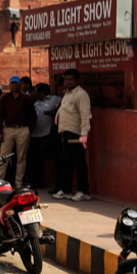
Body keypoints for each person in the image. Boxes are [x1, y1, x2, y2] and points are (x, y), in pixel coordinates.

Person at [53, 69, 92, 201]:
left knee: (79, 163)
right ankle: (66, 190)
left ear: (77, 80)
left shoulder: (81, 95)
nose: (68, 82)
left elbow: (85, 115)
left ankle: (84, 191)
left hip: (76, 134)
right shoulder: (68, 94)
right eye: (66, 79)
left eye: (71, 79)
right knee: (66, 163)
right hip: (65, 132)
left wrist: (84, 135)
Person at [0, 75, 36, 187]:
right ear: (9, 85)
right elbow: (0, 116)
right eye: (12, 83)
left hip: (22, 129)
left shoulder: (26, 99)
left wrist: (29, 130)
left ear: (19, 85)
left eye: (16, 83)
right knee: (3, 156)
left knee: (21, 157)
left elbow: (33, 115)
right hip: (8, 129)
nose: (14, 86)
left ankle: (19, 182)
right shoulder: (4, 99)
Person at [29, 83, 60, 190]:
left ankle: (57, 183)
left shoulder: (54, 99)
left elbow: (61, 105)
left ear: (42, 92)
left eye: (36, 91)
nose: (34, 93)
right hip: (33, 135)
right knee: (35, 161)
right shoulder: (33, 101)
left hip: (47, 134)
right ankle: (37, 183)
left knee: (52, 159)